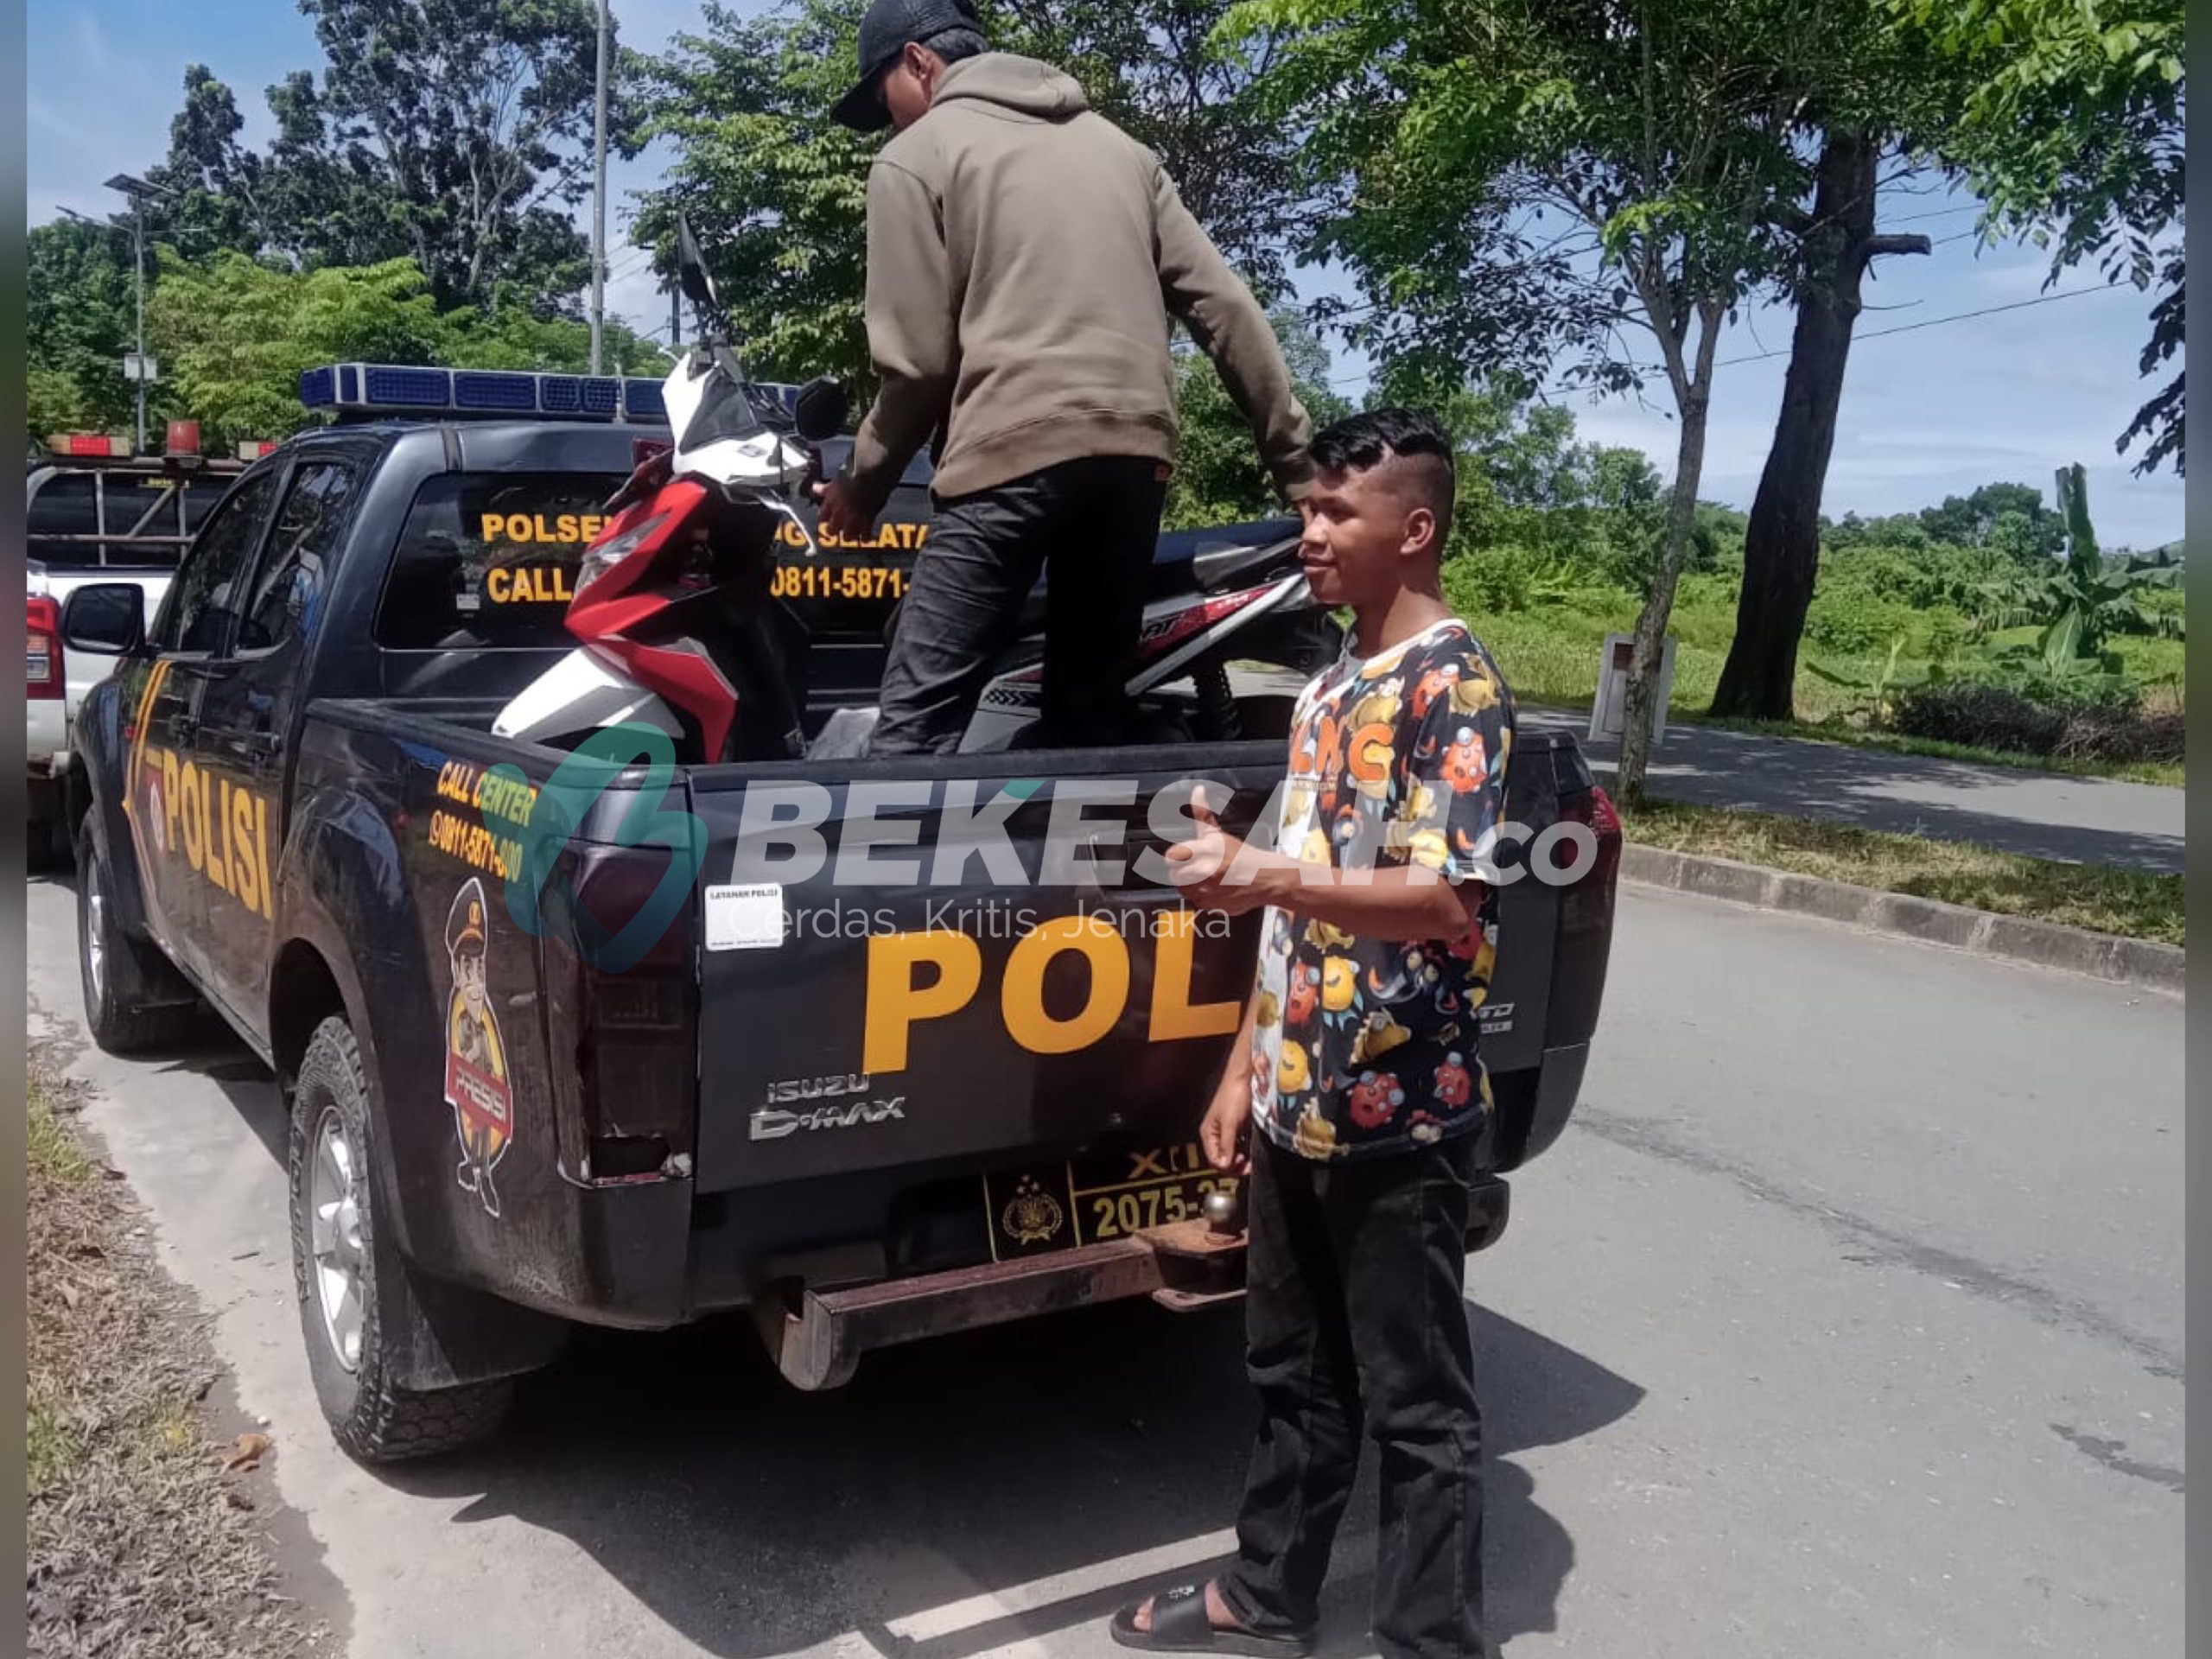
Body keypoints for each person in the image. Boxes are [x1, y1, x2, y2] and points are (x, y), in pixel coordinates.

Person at [1113, 409, 1515, 1659]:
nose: (1312, 533)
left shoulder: (1458, 688)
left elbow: (1450, 898)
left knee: (1418, 1406)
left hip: (1404, 1118)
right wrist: (1243, 1065)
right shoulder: (1332, 686)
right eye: (1307, 511)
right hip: (1298, 1098)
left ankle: (1427, 1640)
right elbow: (1291, 894)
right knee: (1290, 1370)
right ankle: (1265, 1595)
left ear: (1417, 526)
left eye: (1338, 514)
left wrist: (1259, 877)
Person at [817, 0, 1315, 753]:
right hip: (1133, 461)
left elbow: (917, 366)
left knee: (913, 729)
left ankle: (878, 871)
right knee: (1086, 719)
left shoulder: (916, 158)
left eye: (881, 96)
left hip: (1007, 457)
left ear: (917, 62)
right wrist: (1300, 470)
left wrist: (863, 485)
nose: (887, 121)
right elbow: (1226, 309)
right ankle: (1084, 872)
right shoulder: (1124, 151)